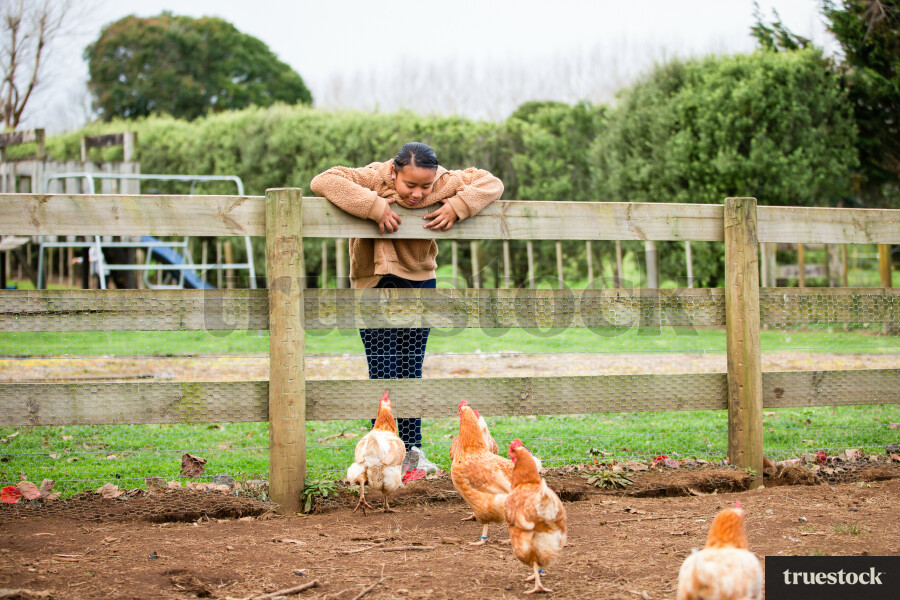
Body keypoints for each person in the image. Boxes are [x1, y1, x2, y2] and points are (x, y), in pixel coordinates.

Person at [310, 142, 504, 477]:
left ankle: (413, 453)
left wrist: (458, 205)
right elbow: (323, 181)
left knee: (411, 369)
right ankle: (381, 455)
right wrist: (373, 206)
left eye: (425, 186)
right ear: (393, 171)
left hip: (420, 283)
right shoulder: (373, 177)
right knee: (383, 371)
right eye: (409, 184)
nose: (417, 194)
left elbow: (492, 183)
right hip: (375, 284)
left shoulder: (446, 182)